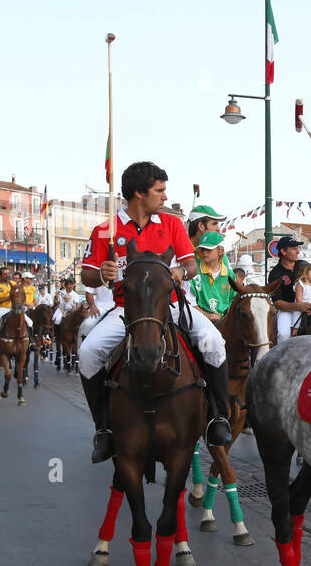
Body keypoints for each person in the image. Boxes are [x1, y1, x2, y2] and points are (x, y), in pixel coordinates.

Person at [78, 161, 232, 462]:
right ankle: (103, 429)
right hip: (125, 310)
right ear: (139, 193)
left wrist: (180, 273)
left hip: (171, 306)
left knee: (214, 343)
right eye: (159, 191)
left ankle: (217, 417)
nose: (164, 197)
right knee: (87, 353)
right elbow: (87, 276)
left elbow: (189, 264)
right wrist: (103, 274)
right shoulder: (104, 231)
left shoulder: (172, 224)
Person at [190, 231, 239, 322]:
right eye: (202, 249)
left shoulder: (229, 274)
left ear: (220, 251)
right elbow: (190, 302)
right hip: (200, 320)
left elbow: (234, 299)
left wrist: (228, 315)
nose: (204, 252)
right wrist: (206, 315)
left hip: (225, 321)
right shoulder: (193, 273)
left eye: (208, 249)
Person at [267, 236, 305, 341]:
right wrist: (298, 306)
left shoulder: (303, 265)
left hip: (308, 306)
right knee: (283, 335)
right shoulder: (275, 273)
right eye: (293, 248)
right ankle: (283, 358)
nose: (297, 251)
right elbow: (277, 302)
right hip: (287, 311)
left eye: (297, 248)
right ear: (283, 251)